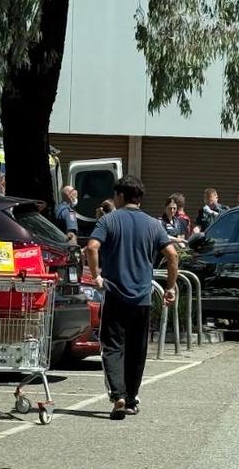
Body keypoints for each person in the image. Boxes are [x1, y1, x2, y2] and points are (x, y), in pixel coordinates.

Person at [86, 175, 178, 420]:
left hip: (115, 295)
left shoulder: (109, 220)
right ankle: (132, 398)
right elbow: (172, 255)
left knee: (113, 347)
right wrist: (170, 287)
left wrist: (96, 276)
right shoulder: (154, 224)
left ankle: (118, 396)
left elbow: (92, 247)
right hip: (142, 297)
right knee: (137, 350)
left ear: (119, 196)